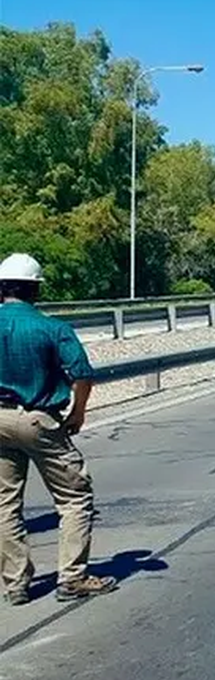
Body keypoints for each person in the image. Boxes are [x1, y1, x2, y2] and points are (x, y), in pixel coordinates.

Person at [0, 252, 117, 605]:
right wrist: (77, 414)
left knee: (4, 504)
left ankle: (15, 584)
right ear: (36, 290)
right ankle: (72, 577)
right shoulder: (52, 328)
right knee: (75, 497)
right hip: (39, 419)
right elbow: (82, 374)